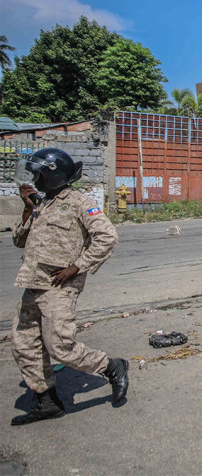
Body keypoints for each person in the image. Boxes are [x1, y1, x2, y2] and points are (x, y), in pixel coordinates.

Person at [10, 148, 129, 426]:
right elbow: (19, 240)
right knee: (24, 343)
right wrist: (28, 208)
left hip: (59, 287)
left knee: (60, 347)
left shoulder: (79, 203)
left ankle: (110, 366)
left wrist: (77, 267)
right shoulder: (40, 203)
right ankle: (47, 401)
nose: (33, 179)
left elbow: (107, 237)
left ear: (53, 175)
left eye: (38, 173)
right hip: (33, 284)